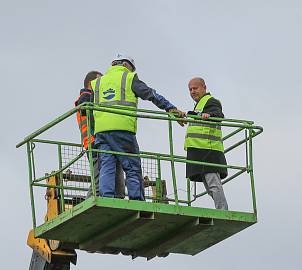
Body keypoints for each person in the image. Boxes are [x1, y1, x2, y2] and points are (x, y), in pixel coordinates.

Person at [92, 53, 184, 200]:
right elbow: (150, 94)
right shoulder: (128, 78)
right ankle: (136, 200)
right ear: (126, 65)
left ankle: (106, 198)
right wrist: (170, 108)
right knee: (132, 167)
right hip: (122, 130)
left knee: (107, 167)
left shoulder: (97, 82)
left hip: (101, 132)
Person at [75, 70, 125, 198]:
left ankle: (117, 199)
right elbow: (83, 105)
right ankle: (91, 204)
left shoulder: (92, 98)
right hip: (94, 143)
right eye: (100, 81)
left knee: (112, 178)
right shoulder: (85, 96)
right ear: (91, 83)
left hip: (105, 141)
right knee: (99, 180)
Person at [184, 77, 228, 210]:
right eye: (190, 89)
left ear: (204, 87)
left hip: (208, 150)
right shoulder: (198, 105)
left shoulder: (211, 101)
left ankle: (222, 211)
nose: (192, 91)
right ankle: (221, 209)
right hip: (198, 151)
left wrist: (209, 115)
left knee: (213, 184)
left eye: (195, 88)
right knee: (210, 188)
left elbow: (218, 114)